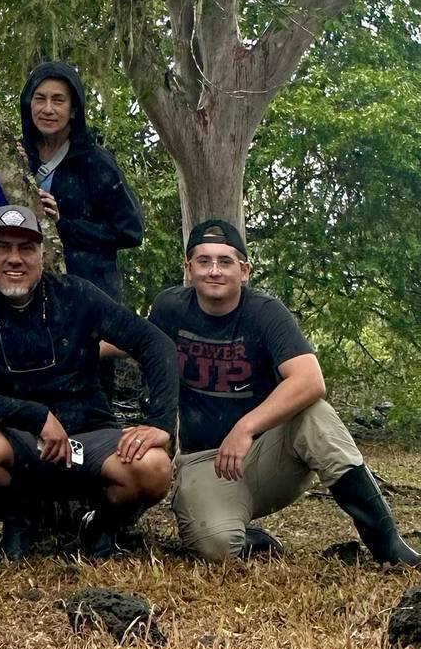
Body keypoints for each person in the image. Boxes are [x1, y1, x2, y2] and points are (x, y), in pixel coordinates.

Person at [149, 219, 420, 565]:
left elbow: (310, 380)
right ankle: (251, 540)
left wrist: (246, 427)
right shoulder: (170, 308)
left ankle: (388, 546)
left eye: (225, 261)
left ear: (244, 270)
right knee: (215, 547)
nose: (214, 271)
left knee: (314, 414)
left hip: (268, 452)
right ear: (188, 269)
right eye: (203, 261)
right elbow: (131, 341)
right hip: (205, 461)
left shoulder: (265, 313)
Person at [0, 206, 178, 561]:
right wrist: (36, 417)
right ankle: (19, 520)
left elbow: (155, 343)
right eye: (4, 247)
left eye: (26, 249)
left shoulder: (77, 295)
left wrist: (160, 422)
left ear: (42, 254)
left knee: (154, 468)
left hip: (87, 439)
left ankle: (101, 525)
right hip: (18, 443)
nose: (15, 259)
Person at [19, 61, 143, 304]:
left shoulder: (95, 161)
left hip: (88, 294)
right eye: (40, 99)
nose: (47, 109)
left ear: (74, 109)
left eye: (58, 100)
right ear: (28, 103)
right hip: (29, 293)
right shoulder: (18, 157)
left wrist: (63, 224)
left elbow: (130, 231)